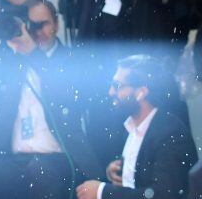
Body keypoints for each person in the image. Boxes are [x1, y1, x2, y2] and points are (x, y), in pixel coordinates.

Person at [0, 0, 102, 199]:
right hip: (15, 159)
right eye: (31, 25)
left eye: (43, 24)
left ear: (56, 25)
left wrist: (33, 52)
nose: (37, 31)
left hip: (58, 159)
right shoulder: (13, 62)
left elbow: (67, 94)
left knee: (39, 171)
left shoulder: (71, 60)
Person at [76, 55, 197, 199]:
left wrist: (102, 192)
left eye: (117, 86)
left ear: (141, 93)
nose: (111, 92)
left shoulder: (171, 133)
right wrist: (117, 172)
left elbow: (163, 195)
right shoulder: (131, 127)